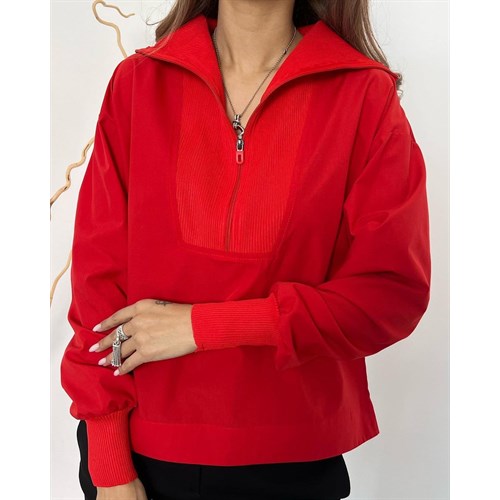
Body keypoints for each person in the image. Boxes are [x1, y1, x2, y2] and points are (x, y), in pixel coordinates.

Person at [60, 0, 431, 499]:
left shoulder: (365, 95)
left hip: (292, 460)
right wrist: (109, 467)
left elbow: (390, 295)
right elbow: (96, 287)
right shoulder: (138, 84)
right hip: (140, 457)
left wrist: (202, 327)